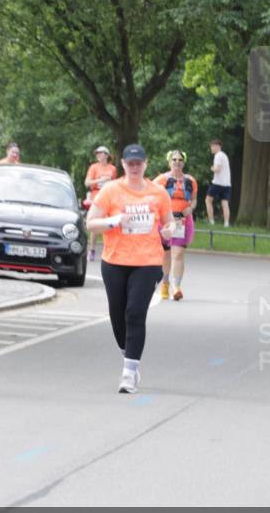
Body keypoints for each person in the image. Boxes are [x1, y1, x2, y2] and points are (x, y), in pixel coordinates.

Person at [87, 144, 174, 393]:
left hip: (147, 262)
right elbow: (90, 223)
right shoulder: (111, 191)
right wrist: (114, 221)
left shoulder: (158, 194)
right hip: (115, 261)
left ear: (145, 164)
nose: (135, 167)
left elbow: (169, 225)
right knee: (117, 316)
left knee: (135, 313)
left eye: (139, 163)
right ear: (123, 165)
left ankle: (129, 372)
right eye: (130, 163)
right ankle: (129, 353)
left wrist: (169, 231)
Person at [153, 150, 197, 301]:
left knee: (178, 254)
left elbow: (194, 199)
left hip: (182, 222)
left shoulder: (190, 180)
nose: (177, 162)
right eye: (174, 159)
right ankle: (165, 284)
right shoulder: (161, 180)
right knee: (165, 254)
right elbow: (151, 196)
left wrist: (191, 208)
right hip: (164, 221)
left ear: (184, 162)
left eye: (180, 160)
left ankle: (176, 287)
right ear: (169, 162)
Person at [84, 146, 118, 261]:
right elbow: (87, 183)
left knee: (108, 224)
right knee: (95, 223)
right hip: (96, 197)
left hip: (109, 197)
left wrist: (109, 182)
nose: (98, 155)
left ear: (106, 155)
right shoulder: (94, 167)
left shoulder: (112, 168)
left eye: (100, 153)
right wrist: (100, 180)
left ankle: (107, 249)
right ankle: (92, 249)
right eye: (97, 153)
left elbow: (114, 184)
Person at [205, 139, 231, 227]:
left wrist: (212, 168)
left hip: (218, 183)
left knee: (208, 200)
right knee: (225, 203)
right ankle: (226, 223)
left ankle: (211, 221)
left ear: (217, 146)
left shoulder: (218, 155)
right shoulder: (224, 155)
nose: (211, 148)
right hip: (227, 183)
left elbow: (218, 169)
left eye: (212, 146)